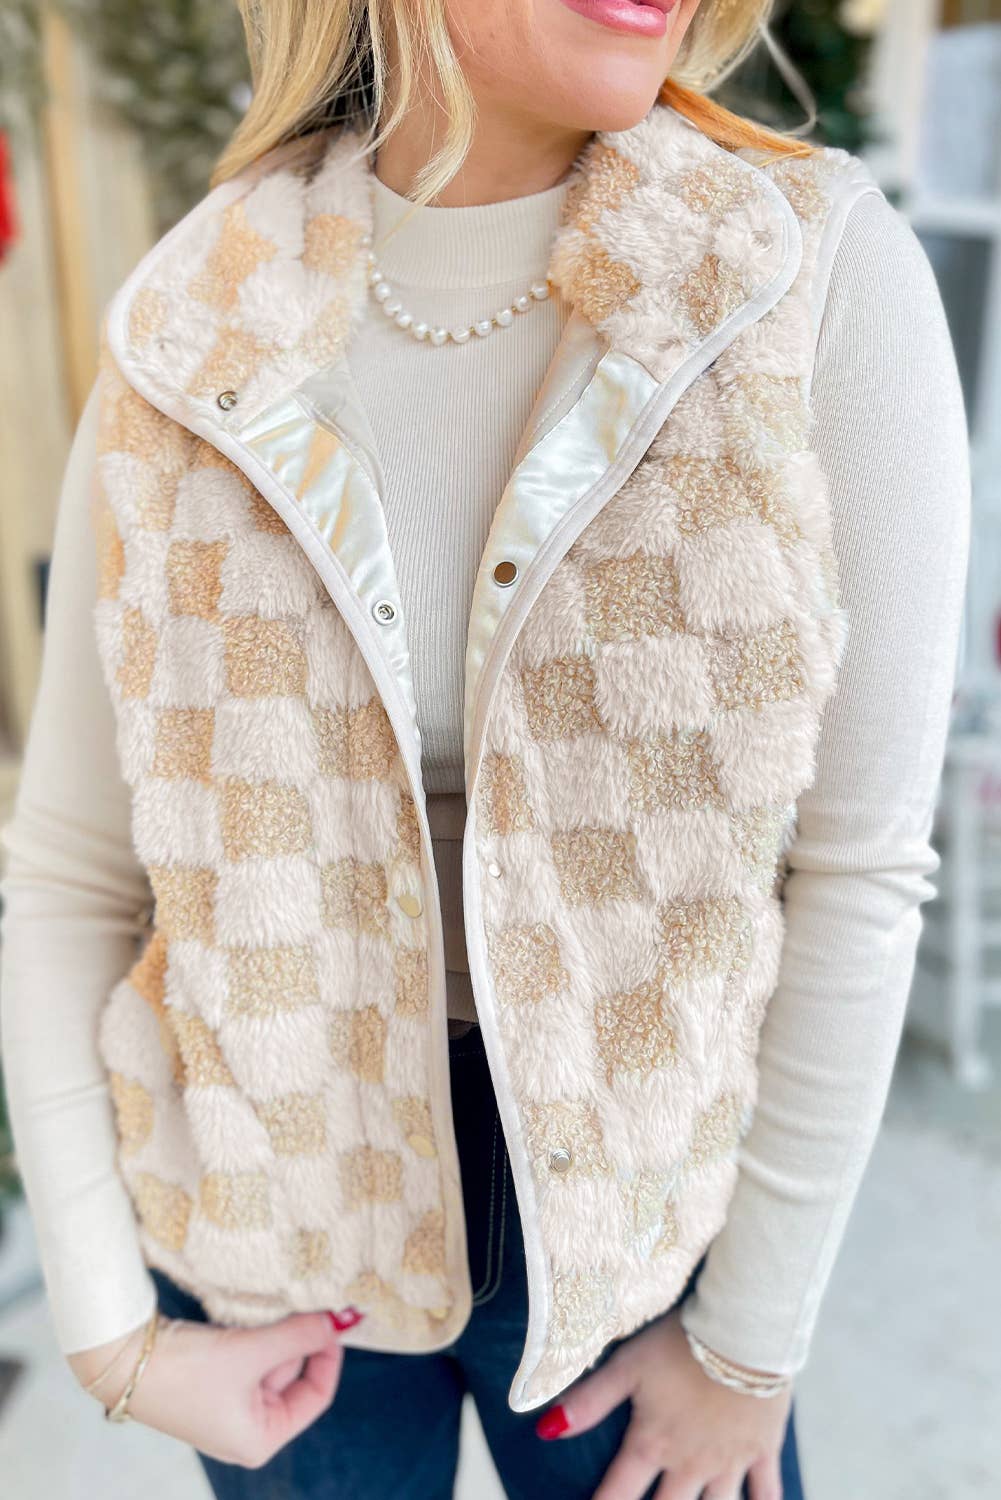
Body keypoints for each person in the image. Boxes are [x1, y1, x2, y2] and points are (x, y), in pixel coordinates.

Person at [0, 1, 970, 1497]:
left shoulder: (798, 270)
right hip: (273, 1206)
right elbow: (73, 877)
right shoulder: (196, 318)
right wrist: (109, 1335)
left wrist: (747, 1350)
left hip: (637, 1225)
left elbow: (860, 868)